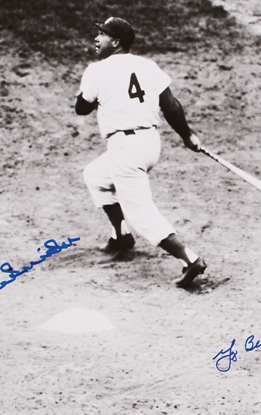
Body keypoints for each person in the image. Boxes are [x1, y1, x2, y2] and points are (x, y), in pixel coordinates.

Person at [75, 17, 207, 288]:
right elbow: (171, 106)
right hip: (149, 144)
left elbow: (81, 108)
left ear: (116, 42)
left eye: (102, 34)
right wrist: (187, 135)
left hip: (126, 148)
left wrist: (97, 95)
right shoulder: (148, 66)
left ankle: (189, 259)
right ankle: (121, 236)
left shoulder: (96, 70)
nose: (96, 39)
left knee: (140, 213)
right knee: (96, 176)